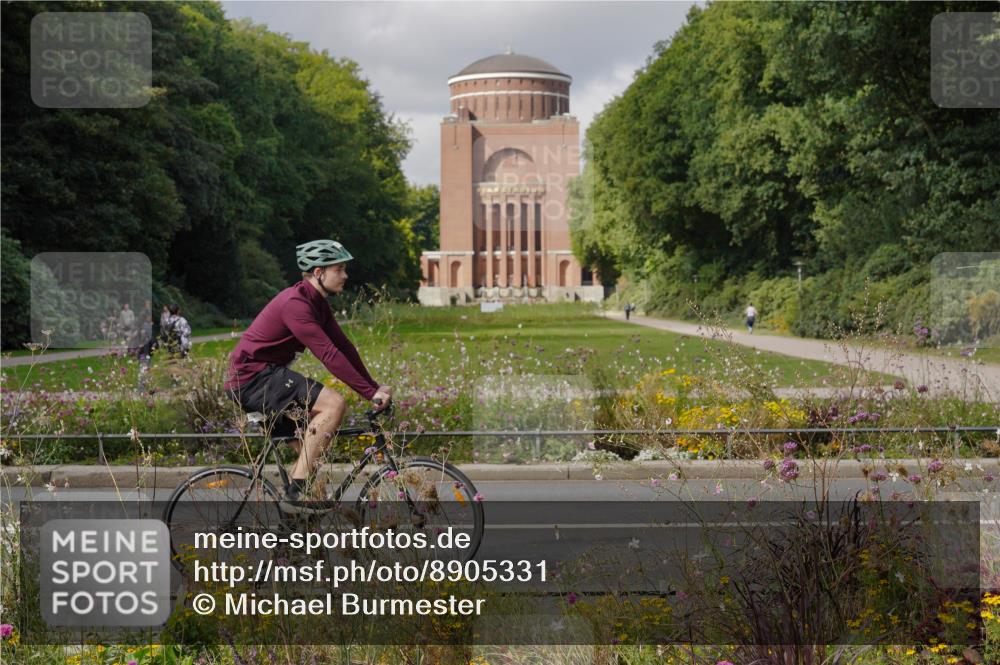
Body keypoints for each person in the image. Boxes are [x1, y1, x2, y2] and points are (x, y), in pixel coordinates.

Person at [224, 239, 391, 513]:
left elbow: (344, 347)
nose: (345, 275)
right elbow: (328, 355)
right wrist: (369, 393)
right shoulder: (296, 304)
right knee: (334, 404)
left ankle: (293, 534)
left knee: (312, 453)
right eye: (339, 269)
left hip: (263, 377)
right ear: (318, 273)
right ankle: (295, 493)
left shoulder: (316, 302)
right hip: (253, 379)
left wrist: (373, 386)